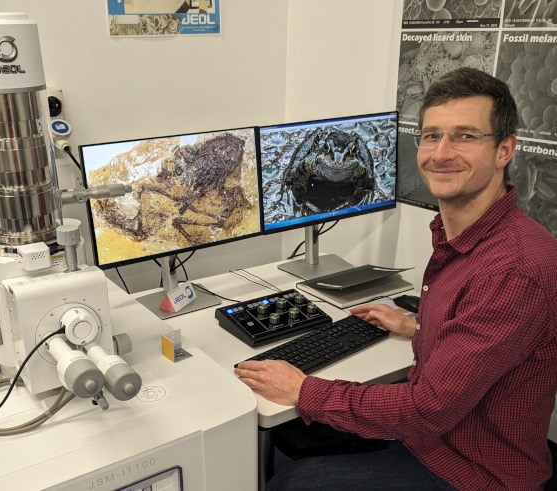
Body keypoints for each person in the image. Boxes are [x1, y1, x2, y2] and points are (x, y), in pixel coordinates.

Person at [234, 67, 557, 490]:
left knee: (287, 481)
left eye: (465, 136)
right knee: (286, 439)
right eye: (432, 135)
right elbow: (484, 343)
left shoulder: (513, 269)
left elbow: (428, 409)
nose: (442, 153)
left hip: (469, 470)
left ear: (504, 150)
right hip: (439, 439)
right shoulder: (470, 238)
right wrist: (421, 327)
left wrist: (304, 389)